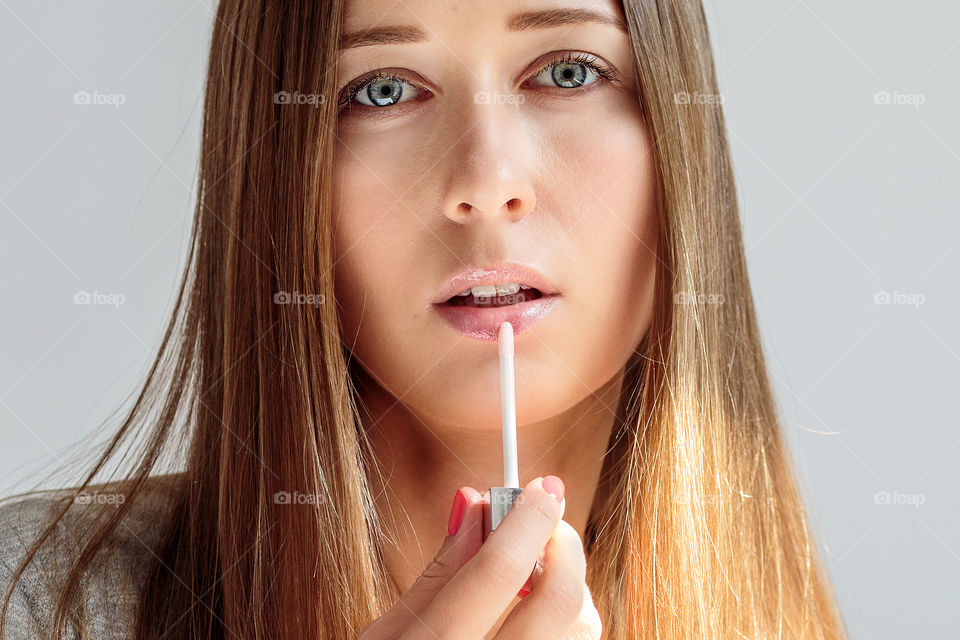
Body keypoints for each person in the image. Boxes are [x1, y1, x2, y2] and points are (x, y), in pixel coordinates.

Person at [0, 1, 848, 638]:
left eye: (567, 72)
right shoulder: (35, 605)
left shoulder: (787, 615)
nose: (485, 179)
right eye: (382, 89)